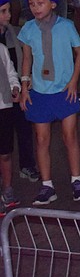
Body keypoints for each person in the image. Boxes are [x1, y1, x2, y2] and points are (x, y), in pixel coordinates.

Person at [18, 0, 80, 205]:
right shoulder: (28, 30)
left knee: (70, 136)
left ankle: (77, 180)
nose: (36, 7)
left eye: (41, 3)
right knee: (41, 139)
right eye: (32, 4)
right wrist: (25, 86)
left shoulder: (66, 27)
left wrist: (74, 81)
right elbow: (27, 59)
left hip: (64, 90)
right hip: (39, 91)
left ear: (53, 4)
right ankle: (47, 185)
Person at [0, 0, 38, 182]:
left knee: (23, 127)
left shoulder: (15, 34)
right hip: (2, 97)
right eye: (3, 11)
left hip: (16, 90)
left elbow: (22, 62)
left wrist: (20, 86)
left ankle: (27, 165)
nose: (8, 15)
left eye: (8, 10)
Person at [0, 18, 20, 214]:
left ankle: (8, 189)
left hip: (3, 106)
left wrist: (15, 86)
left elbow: (11, 72)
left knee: (5, 152)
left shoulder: (2, 50)